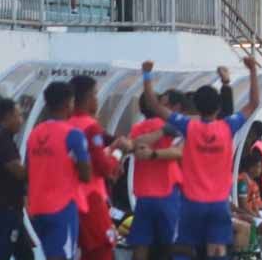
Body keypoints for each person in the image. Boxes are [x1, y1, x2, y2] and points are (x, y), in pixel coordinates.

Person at [140, 56, 261, 260]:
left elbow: (153, 104)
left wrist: (147, 74)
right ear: (218, 107)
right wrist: (252, 71)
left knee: (184, 248)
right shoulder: (227, 126)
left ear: (196, 105)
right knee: (217, 250)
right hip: (218, 204)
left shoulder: (189, 126)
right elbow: (254, 102)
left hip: (192, 203)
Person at [26, 82, 92, 260]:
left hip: (37, 207)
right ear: (68, 103)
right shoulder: (73, 134)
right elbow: (86, 175)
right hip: (62, 207)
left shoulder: (34, 134)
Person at [68, 75, 130, 260]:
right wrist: (118, 154)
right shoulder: (90, 127)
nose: (97, 98)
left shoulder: (65, 125)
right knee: (103, 248)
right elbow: (104, 168)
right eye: (95, 94)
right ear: (88, 97)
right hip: (90, 199)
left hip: (68, 200)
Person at [127, 91, 185, 260]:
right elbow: (178, 152)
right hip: (167, 194)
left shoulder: (137, 128)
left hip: (143, 196)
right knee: (171, 245)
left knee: (141, 245)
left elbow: (130, 146)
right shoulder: (170, 127)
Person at [0, 99, 31, 260]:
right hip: (5, 209)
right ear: (8, 116)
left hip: (11, 209)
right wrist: (41, 169)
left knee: (26, 254)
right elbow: (18, 171)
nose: (21, 121)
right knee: (0, 252)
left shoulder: (4, 138)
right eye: (19, 116)